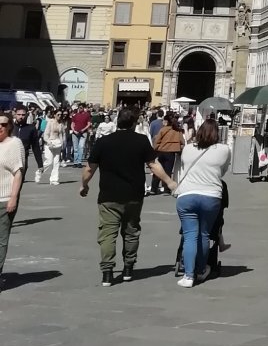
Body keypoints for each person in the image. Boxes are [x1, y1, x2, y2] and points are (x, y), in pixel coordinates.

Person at [80, 106, 177, 285]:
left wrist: (84, 185)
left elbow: (89, 169)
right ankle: (128, 268)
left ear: (117, 121)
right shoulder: (141, 141)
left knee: (108, 234)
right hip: (134, 195)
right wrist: (169, 182)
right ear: (134, 123)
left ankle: (107, 272)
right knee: (131, 231)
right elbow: (153, 165)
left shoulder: (103, 142)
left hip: (108, 195)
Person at [174, 117, 233, 287]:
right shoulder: (224, 150)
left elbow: (184, 166)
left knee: (190, 235)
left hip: (187, 195)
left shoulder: (188, 148)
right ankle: (201, 270)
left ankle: (188, 276)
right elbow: (222, 171)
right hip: (211, 195)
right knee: (204, 234)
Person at [0, 112, 26, 288]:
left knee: (1, 239)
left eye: (3, 124)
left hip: (4, 198)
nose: (0, 127)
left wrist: (13, 197)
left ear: (9, 126)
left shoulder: (15, 144)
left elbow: (18, 172)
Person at [151, 111, 184, 195]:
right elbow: (182, 141)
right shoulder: (177, 130)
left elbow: (157, 141)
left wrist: (155, 149)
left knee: (158, 170)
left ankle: (154, 188)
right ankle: (166, 189)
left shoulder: (163, 129)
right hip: (171, 152)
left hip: (161, 151)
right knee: (168, 170)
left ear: (166, 121)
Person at [11, 106, 44, 187]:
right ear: (15, 115)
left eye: (23, 115)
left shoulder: (31, 129)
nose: (21, 117)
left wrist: (40, 164)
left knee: (18, 186)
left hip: (22, 160)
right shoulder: (10, 127)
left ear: (27, 115)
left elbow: (35, 147)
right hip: (9, 159)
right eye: (19, 114)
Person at [40, 109, 68, 185]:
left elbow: (62, 134)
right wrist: (48, 142)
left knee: (56, 162)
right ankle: (40, 171)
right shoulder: (50, 122)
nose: (60, 116)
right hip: (50, 143)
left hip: (58, 143)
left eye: (61, 115)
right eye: (58, 114)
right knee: (49, 161)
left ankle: (54, 179)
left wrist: (63, 143)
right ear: (54, 115)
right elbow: (46, 134)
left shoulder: (61, 124)